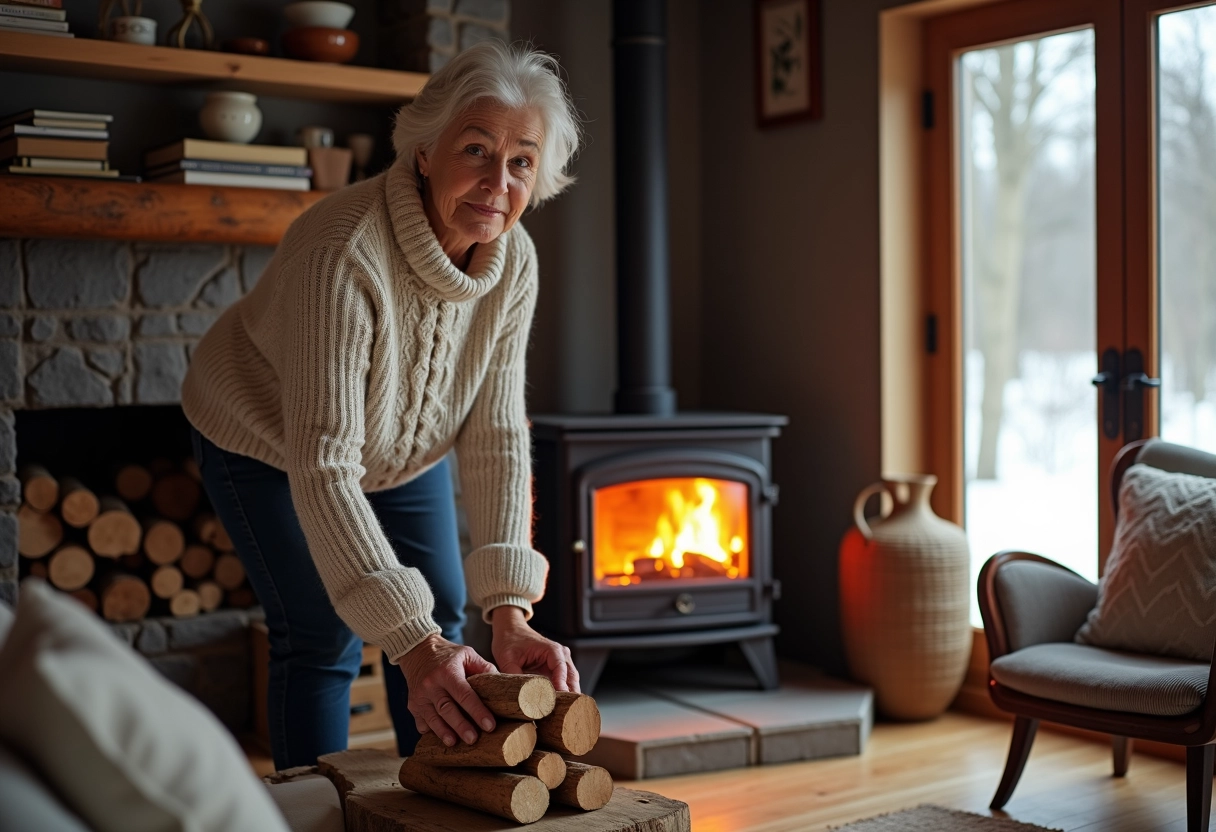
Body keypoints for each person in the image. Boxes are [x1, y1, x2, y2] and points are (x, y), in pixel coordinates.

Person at [181, 40, 583, 770]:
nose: (499, 181)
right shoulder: (342, 252)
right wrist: (412, 642)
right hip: (266, 437)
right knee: (324, 638)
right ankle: (318, 814)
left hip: (402, 447)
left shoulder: (513, 259)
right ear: (425, 152)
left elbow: (495, 430)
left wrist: (511, 613)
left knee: (452, 616)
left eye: (522, 160)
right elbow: (326, 462)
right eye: (476, 149)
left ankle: (433, 798)